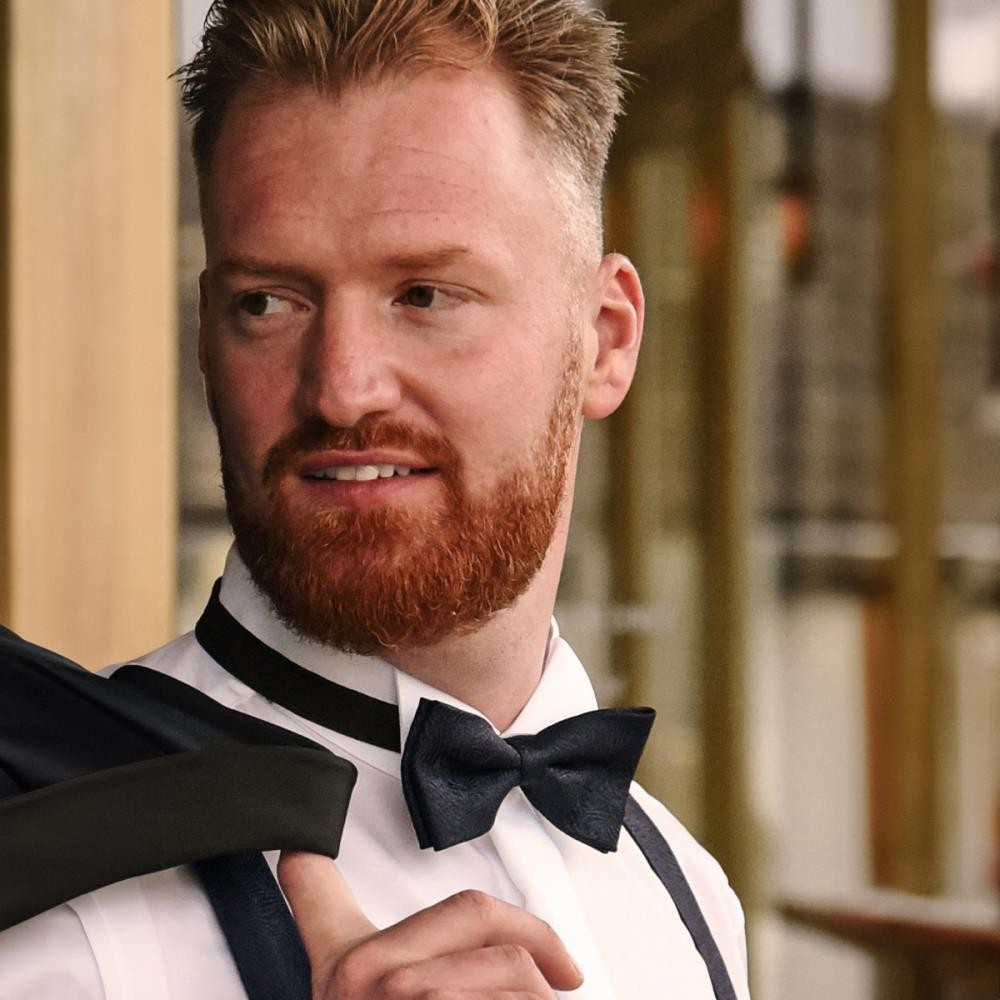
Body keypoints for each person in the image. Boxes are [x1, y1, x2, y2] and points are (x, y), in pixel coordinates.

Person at [0, 1, 750, 997]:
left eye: (424, 295)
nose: (342, 387)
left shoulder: (688, 895)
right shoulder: (54, 887)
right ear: (207, 336)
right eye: (269, 302)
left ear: (605, 340)